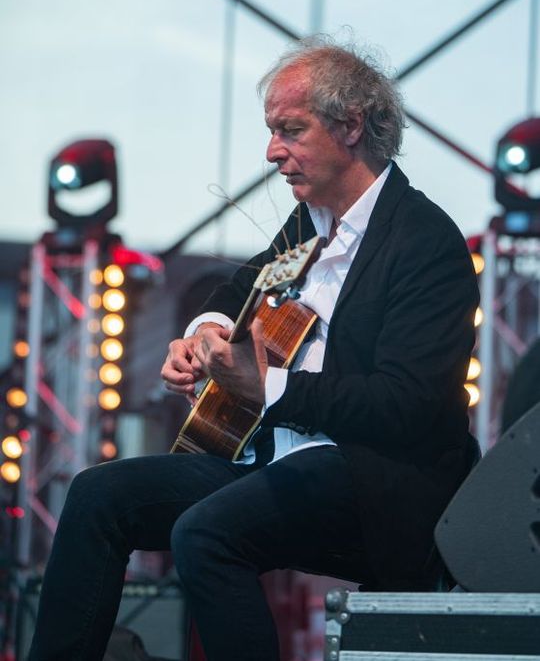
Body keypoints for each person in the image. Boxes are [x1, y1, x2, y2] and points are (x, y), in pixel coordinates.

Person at [28, 38, 479, 661]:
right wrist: (203, 334)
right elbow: (239, 288)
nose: (272, 152)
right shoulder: (307, 224)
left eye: (290, 130)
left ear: (350, 126)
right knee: (96, 495)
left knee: (205, 533)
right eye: (272, 131)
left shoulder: (425, 242)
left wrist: (266, 388)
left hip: (373, 483)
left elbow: (408, 405)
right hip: (271, 461)